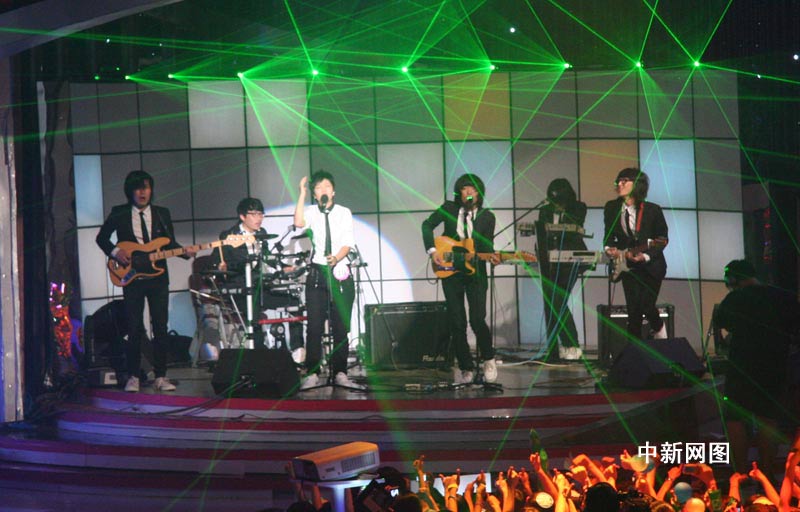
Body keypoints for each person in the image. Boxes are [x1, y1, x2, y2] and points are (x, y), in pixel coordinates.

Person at [96, 170, 195, 393]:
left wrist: (184, 252)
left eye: (147, 187)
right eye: (138, 188)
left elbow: (169, 243)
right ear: (130, 191)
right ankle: (133, 375)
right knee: (134, 327)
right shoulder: (120, 212)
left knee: (160, 326)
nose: (143, 192)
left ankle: (161, 375)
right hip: (132, 277)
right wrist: (116, 252)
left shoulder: (162, 213)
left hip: (158, 277)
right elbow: (101, 238)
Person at [714, 259, 799, 478]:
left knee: (734, 418)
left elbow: (722, 322)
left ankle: (741, 474)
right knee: (767, 419)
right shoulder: (784, 297)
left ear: (733, 278)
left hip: (742, 367)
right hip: (775, 366)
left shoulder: (735, 298)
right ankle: (766, 475)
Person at [422, 173, 499, 385]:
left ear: (479, 193)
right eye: (465, 188)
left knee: (477, 319)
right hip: (450, 271)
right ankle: (466, 367)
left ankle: (489, 358)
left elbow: (487, 246)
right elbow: (427, 225)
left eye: (473, 189)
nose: (469, 192)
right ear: (459, 192)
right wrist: (432, 251)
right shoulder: (448, 208)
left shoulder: (487, 216)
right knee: (457, 321)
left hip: (476, 272)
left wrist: (492, 256)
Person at [293, 171, 363, 390]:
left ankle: (340, 372)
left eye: (326, 187)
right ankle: (312, 372)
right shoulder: (312, 212)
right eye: (318, 188)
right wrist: (301, 193)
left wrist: (338, 257)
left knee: (340, 327)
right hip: (318, 272)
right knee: (314, 327)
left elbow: (348, 241)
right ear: (314, 194)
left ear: (333, 191)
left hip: (340, 272)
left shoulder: (343, 212)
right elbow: (298, 222)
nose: (323, 190)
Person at [603, 168, 668, 341]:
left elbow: (662, 239)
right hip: (628, 265)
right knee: (633, 312)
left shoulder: (653, 210)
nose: (619, 184)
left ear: (637, 184)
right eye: (618, 181)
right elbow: (609, 235)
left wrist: (645, 256)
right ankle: (634, 351)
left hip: (651, 265)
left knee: (647, 305)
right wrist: (609, 249)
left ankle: (659, 328)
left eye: (624, 181)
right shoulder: (611, 207)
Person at [537, 178, 588, 361]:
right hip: (549, 261)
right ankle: (563, 346)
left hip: (570, 261)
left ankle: (572, 345)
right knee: (553, 302)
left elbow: (575, 227)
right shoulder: (545, 210)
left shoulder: (578, 207)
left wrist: (561, 215)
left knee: (557, 301)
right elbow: (541, 232)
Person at [211, 197, 271, 348]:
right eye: (254, 214)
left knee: (292, 300)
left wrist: (283, 267)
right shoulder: (228, 235)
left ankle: (297, 349)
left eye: (261, 214)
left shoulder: (262, 233)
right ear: (242, 216)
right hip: (239, 288)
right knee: (253, 305)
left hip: (259, 285)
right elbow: (215, 261)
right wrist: (221, 267)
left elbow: (268, 258)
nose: (259, 218)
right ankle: (258, 350)